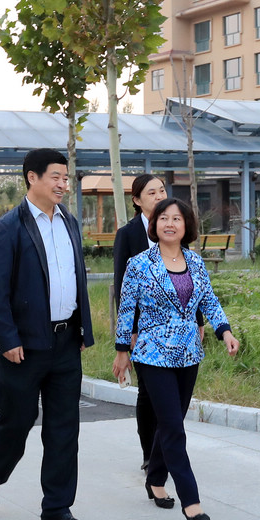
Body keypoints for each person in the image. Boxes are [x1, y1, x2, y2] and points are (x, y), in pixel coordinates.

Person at [0, 148, 94, 520]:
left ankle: (57, 507)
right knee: (17, 422)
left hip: (65, 342)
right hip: (22, 347)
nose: (63, 184)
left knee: (64, 428)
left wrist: (82, 328)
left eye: (66, 177)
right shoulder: (9, 227)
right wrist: (7, 338)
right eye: (56, 177)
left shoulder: (69, 222)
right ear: (33, 177)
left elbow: (76, 278)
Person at [112, 197, 238, 520]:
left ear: (186, 226)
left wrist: (224, 331)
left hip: (188, 354)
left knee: (172, 422)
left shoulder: (195, 261)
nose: (170, 224)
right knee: (172, 427)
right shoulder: (139, 263)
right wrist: (122, 350)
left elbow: (208, 300)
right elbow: (126, 309)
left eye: (177, 219)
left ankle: (155, 478)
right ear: (154, 224)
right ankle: (191, 500)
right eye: (163, 218)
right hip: (152, 354)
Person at [113, 174, 167, 471]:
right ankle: (150, 453)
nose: (159, 197)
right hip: (143, 328)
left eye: (162, 191)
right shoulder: (128, 234)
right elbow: (123, 287)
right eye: (151, 193)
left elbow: (191, 277)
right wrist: (129, 331)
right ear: (136, 200)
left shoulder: (174, 226)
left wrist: (198, 319)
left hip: (176, 326)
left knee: (172, 392)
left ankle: (166, 448)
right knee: (147, 391)